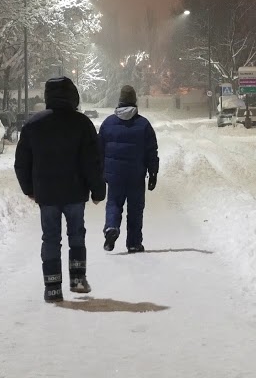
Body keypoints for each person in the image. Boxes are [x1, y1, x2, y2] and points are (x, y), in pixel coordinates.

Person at [14, 76, 105, 303]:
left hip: (47, 194)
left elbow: (21, 162)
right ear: (73, 96)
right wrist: (97, 190)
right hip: (75, 192)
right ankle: (77, 280)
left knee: (51, 239)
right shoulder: (82, 124)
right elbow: (92, 161)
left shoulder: (34, 125)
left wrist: (29, 189)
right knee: (76, 235)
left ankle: (52, 287)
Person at [97, 85, 159, 253]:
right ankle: (133, 242)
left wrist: (100, 173)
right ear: (134, 101)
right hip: (136, 175)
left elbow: (99, 150)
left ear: (120, 101)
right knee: (135, 209)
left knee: (114, 204)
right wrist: (153, 173)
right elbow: (151, 151)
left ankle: (111, 227)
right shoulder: (143, 125)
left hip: (114, 176)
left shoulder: (108, 124)